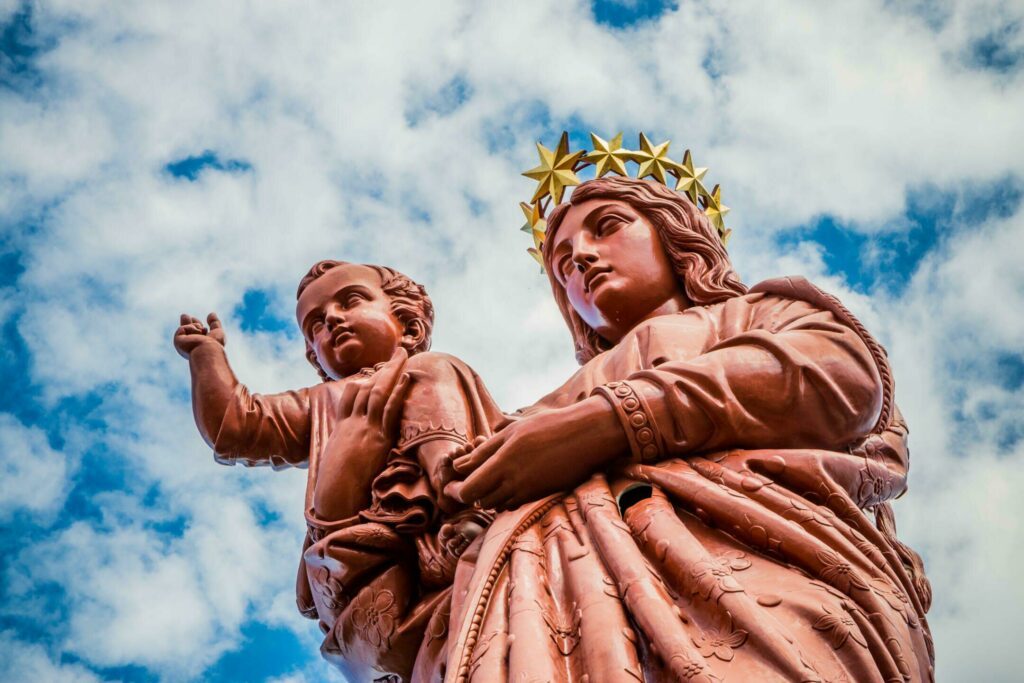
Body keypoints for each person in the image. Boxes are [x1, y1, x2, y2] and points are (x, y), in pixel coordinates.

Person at [429, 176, 934, 682]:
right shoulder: (541, 412)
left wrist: (608, 423)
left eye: (606, 228)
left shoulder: (761, 314)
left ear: (676, 235)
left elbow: (839, 379)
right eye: (562, 266)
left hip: (767, 589)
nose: (580, 258)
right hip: (554, 623)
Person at [173, 260, 501, 679]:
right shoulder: (323, 400)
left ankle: (455, 484)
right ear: (316, 357)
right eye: (315, 326)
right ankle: (458, 500)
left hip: (445, 519)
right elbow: (235, 427)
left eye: (350, 301)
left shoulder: (430, 367)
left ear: (409, 325)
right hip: (368, 538)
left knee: (435, 366)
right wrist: (206, 355)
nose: (331, 319)